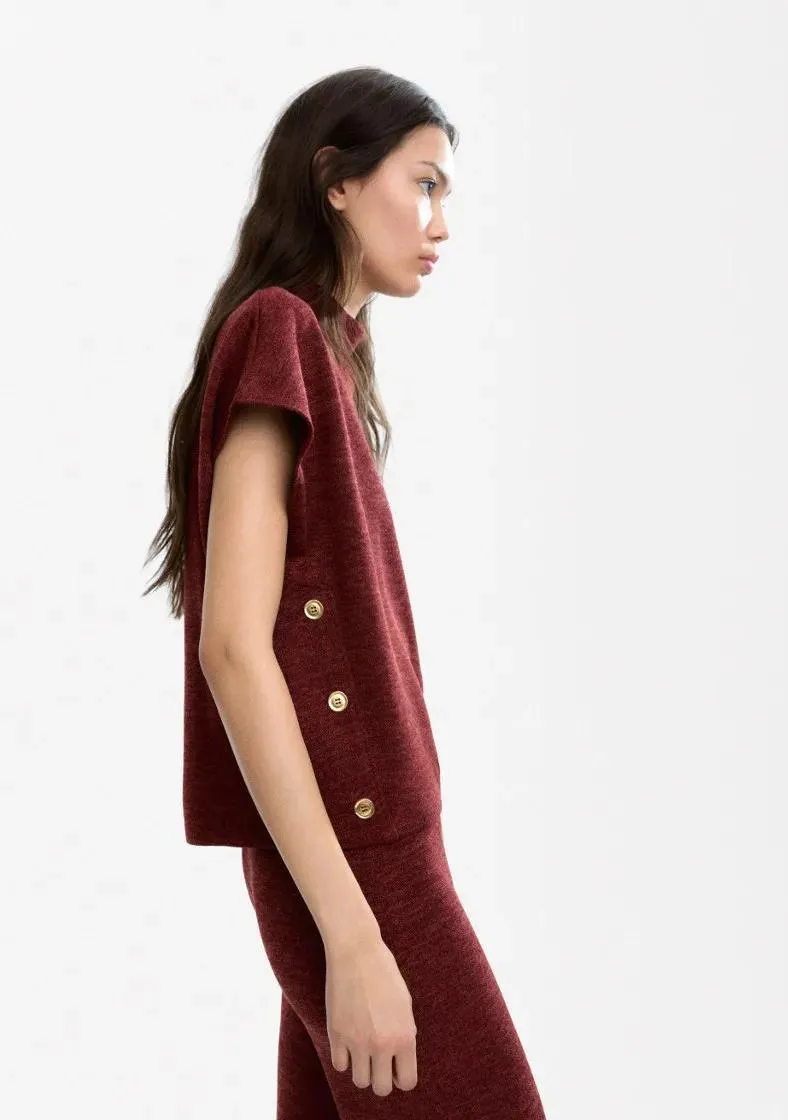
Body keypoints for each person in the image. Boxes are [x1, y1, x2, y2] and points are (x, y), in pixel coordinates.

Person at [144, 65, 548, 1118]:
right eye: (424, 183)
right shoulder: (278, 328)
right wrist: (356, 934)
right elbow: (233, 646)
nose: (440, 222)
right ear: (335, 180)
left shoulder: (324, 347)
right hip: (360, 860)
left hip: (375, 846)